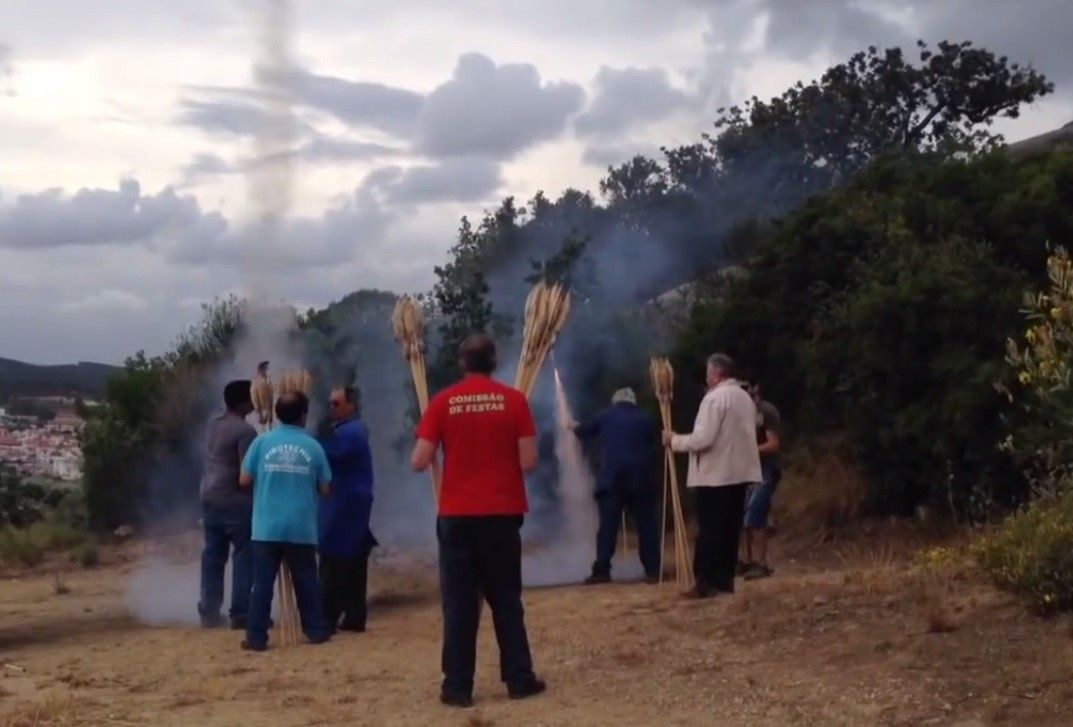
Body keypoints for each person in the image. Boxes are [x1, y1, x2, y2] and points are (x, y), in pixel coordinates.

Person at [411, 333, 546, 708]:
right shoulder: (515, 401)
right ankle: (519, 678)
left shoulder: (441, 402)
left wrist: (432, 443)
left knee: (459, 604)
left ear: (462, 363)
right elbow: (529, 462)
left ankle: (457, 686)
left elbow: (419, 460)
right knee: (506, 599)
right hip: (502, 514)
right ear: (494, 361)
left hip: (456, 516)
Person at [239, 391, 333, 651]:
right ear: (304, 415)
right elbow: (326, 488)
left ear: (277, 414)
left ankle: (256, 637)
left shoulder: (261, 443)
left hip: (266, 527)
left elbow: (244, 480)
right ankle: (315, 630)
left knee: (262, 586)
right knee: (307, 582)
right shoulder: (313, 446)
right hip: (301, 527)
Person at [662, 353, 761, 598]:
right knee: (729, 530)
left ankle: (705, 582)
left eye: (708, 372)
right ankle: (724, 580)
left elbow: (702, 439)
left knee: (710, 530)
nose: (706, 377)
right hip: (739, 473)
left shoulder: (715, 398)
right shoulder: (745, 398)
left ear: (717, 373)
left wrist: (673, 440)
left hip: (715, 475)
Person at [569, 388, 660, 585]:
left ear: (615, 402)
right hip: (641, 480)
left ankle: (602, 570)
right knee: (647, 525)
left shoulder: (605, 416)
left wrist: (573, 426)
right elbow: (653, 444)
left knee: (608, 527)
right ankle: (653, 570)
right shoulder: (645, 418)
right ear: (633, 402)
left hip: (612, 480)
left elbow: (584, 432)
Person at [198, 380, 257, 629]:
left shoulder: (213, 425)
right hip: (234, 499)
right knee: (244, 555)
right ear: (244, 402)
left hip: (209, 496)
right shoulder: (245, 432)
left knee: (213, 554)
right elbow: (247, 473)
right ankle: (241, 612)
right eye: (252, 397)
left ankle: (209, 610)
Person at [319, 385, 378, 634]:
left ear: (351, 406)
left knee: (335, 559)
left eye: (337, 403)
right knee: (353, 559)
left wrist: (301, 439)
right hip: (351, 503)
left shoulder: (351, 432)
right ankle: (354, 615)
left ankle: (327, 617)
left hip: (346, 505)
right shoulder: (350, 430)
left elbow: (326, 454)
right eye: (330, 403)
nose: (331, 407)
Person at [741, 380, 782, 580]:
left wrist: (751, 451)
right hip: (747, 468)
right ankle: (748, 561)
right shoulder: (741, 412)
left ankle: (760, 562)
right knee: (744, 514)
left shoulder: (765, 411)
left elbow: (773, 444)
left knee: (756, 510)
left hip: (765, 467)